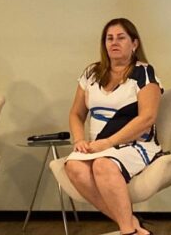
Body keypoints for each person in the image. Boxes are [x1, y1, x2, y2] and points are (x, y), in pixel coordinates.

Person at [64, 18, 162, 235]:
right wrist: (79, 140)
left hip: (136, 144)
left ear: (134, 44)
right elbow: (76, 113)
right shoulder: (91, 72)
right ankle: (133, 224)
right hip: (97, 146)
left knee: (102, 165)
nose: (114, 43)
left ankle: (128, 230)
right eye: (109, 38)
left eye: (121, 38)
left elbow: (148, 118)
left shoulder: (144, 73)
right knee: (74, 167)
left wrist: (107, 143)